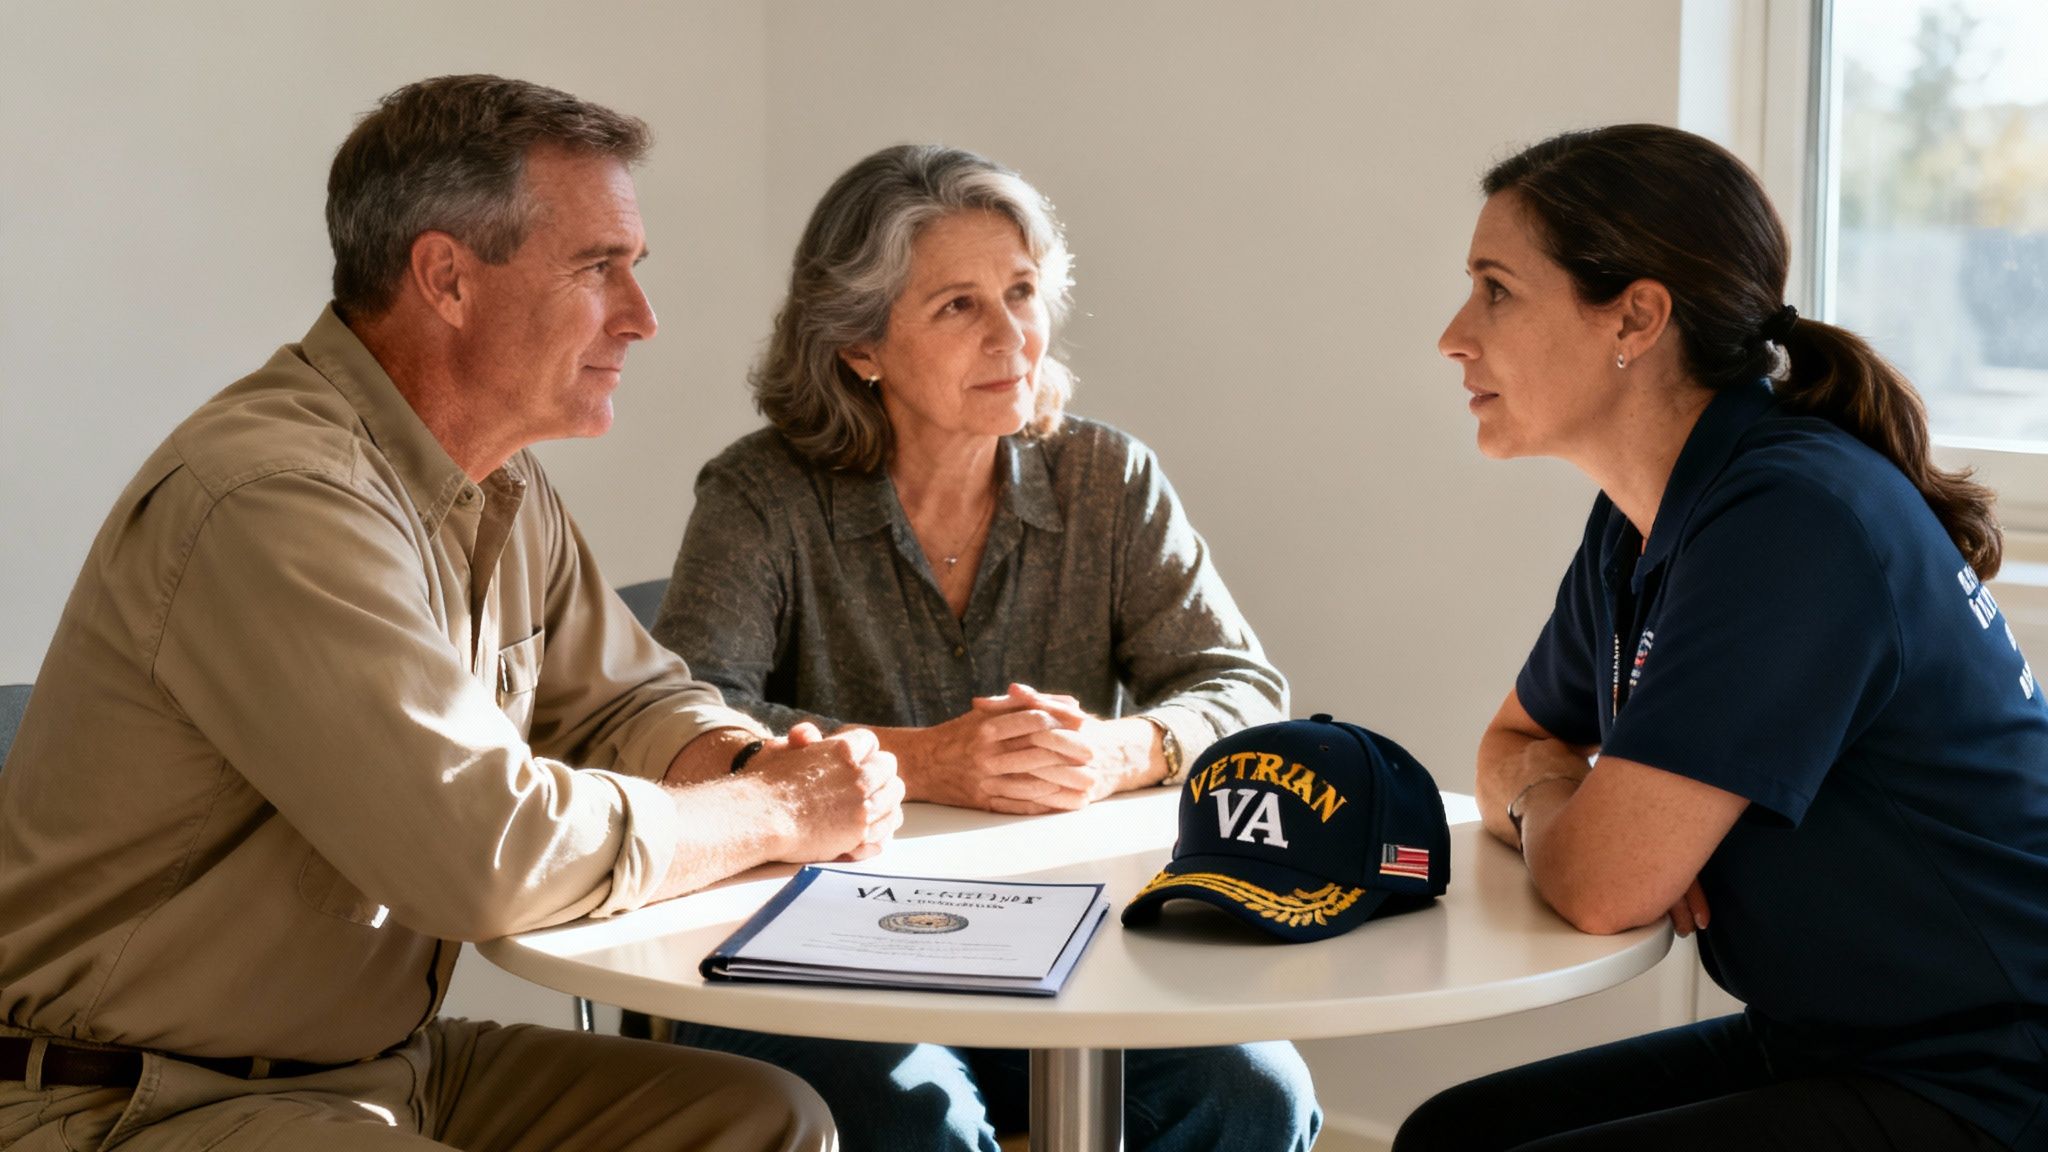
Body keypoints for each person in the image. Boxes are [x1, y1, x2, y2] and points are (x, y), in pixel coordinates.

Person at [0, 74, 906, 1151]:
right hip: (137, 1098)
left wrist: (744, 765)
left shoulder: (500, 487)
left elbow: (625, 707)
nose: (642, 317)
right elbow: (483, 857)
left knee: (765, 1120)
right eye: (597, 268)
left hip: (381, 1065)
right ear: (447, 280)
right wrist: (775, 814)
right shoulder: (270, 495)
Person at [646, 144, 1318, 1151]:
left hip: (1050, 932)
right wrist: (924, 761)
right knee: (922, 1123)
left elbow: (1241, 688)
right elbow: (689, 723)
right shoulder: (760, 494)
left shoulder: (1105, 477)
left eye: (1022, 291)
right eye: (957, 305)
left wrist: (1116, 751)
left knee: (1250, 1096)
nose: (1013, 336)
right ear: (858, 345)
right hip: (797, 945)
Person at [1394, 124, 2048, 1152]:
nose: (1452, 333)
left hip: (1990, 1076)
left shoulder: (1789, 519)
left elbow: (1603, 889)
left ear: (1634, 317)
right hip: (1837, 1040)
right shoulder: (1645, 512)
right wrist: (1561, 797)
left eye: (1495, 289)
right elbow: (1509, 744)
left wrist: (1586, 821)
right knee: (1453, 1134)